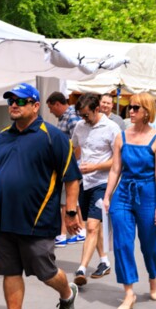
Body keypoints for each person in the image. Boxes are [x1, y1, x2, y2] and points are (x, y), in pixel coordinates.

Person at [0, 83, 82, 309]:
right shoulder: (2, 138)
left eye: (20, 101)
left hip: (37, 220)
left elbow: (72, 179)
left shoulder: (53, 137)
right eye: (10, 101)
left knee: (45, 271)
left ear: (35, 105)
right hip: (4, 219)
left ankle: (66, 293)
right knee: (10, 271)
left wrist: (71, 212)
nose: (13, 105)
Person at [103, 92, 156, 309]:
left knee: (150, 243)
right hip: (124, 192)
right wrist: (107, 195)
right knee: (122, 242)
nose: (130, 111)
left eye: (136, 108)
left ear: (147, 111)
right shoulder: (121, 136)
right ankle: (129, 292)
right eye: (130, 107)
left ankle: (152, 276)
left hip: (148, 192)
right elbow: (115, 169)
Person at [72, 93, 120, 286]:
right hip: (84, 182)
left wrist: (94, 167)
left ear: (97, 109)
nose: (83, 119)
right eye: (81, 115)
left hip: (103, 182)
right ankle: (104, 261)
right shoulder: (79, 126)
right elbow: (74, 147)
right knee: (95, 225)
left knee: (91, 226)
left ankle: (81, 268)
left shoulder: (112, 128)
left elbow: (118, 160)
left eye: (86, 115)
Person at [46, 91, 84, 247]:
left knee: (65, 201)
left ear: (57, 104)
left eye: (51, 108)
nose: (50, 111)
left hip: (69, 165)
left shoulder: (71, 116)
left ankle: (63, 235)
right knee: (69, 200)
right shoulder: (64, 117)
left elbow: (78, 142)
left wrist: (69, 163)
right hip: (66, 165)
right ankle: (79, 231)